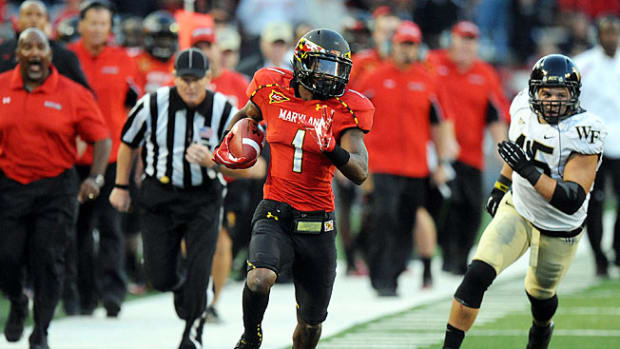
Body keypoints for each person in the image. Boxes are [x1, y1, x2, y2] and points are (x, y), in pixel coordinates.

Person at [214, 28, 374, 349]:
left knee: (310, 326)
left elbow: (360, 171)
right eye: (322, 66)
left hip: (318, 222)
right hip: (276, 209)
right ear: (301, 63)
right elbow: (246, 116)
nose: (330, 77)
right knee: (260, 278)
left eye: (337, 69)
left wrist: (332, 149)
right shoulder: (270, 86)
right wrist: (228, 143)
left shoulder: (346, 107)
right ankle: (251, 335)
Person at [442, 54, 607, 349]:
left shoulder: (585, 130)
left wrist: (527, 171)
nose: (553, 101)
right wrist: (501, 185)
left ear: (574, 95)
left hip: (560, 227)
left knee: (540, 296)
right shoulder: (521, 107)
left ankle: (541, 333)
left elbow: (570, 198)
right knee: (478, 272)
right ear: (534, 93)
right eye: (546, 93)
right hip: (519, 208)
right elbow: (517, 149)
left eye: (561, 94)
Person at [110, 48, 238, 349]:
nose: (190, 86)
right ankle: (184, 289)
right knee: (160, 276)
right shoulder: (152, 104)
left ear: (209, 78)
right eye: (185, 79)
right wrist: (120, 186)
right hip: (159, 195)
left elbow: (247, 162)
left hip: (204, 197)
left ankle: (193, 332)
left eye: (197, 79)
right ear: (174, 78)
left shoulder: (225, 109)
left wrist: (213, 162)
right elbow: (128, 143)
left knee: (199, 267)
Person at [0, 28, 111, 349]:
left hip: (56, 188)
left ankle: (42, 330)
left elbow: (101, 138)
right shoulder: (2, 86)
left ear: (50, 54)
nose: (34, 54)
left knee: (48, 258)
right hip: (10, 184)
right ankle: (18, 301)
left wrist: (95, 178)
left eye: (40, 47)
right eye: (27, 47)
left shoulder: (73, 92)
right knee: (5, 256)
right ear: (17, 54)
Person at [356, 21, 455, 295]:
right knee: (384, 216)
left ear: (418, 47)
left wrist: (442, 162)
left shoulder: (428, 81)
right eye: (403, 44)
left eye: (412, 44)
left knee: (406, 220)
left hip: (415, 165)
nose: (407, 50)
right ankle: (382, 277)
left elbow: (439, 123)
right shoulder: (373, 78)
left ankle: (395, 271)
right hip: (381, 162)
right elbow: (352, 118)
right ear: (393, 45)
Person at [67, 0, 141, 317]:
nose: (98, 29)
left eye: (104, 24)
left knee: (111, 225)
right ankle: (81, 296)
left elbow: (136, 109)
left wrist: (135, 157)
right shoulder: (67, 58)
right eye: (93, 23)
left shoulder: (124, 60)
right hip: (73, 155)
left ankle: (112, 293)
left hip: (112, 155)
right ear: (80, 24)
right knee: (76, 228)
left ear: (110, 28)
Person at [426, 21, 509, 275]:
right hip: (438, 151)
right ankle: (447, 255)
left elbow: (495, 113)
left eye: (471, 40)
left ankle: (461, 257)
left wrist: (501, 146)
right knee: (447, 204)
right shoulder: (433, 64)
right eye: (461, 38)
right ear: (450, 40)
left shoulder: (484, 74)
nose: (465, 44)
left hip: (472, 153)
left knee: (473, 208)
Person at [573, 15, 620, 277]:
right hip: (592, 144)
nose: (611, 38)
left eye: (615, 33)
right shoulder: (584, 65)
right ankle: (599, 257)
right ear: (598, 35)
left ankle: (617, 248)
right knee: (595, 203)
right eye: (607, 33)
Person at [0, 0, 90, 89]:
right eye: (28, 14)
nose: (33, 19)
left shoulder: (65, 56)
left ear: (47, 22)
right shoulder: (2, 51)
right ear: (18, 20)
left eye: (39, 15)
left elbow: (82, 92)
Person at [132, 10, 178, 94]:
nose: (164, 43)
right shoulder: (135, 61)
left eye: (168, 39)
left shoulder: (178, 64)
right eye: (160, 38)